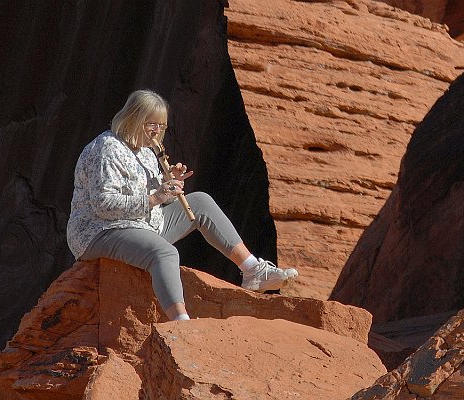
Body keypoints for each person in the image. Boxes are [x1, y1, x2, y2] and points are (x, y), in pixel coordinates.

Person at [66, 89, 297, 321]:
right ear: (133, 118)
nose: (157, 131)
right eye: (151, 124)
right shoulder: (107, 148)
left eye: (162, 125)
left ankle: (253, 270)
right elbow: (104, 205)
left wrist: (167, 183)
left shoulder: (147, 151)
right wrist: (156, 197)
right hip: (100, 231)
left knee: (201, 202)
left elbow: (148, 194)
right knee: (164, 252)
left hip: (142, 224)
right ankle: (180, 322)